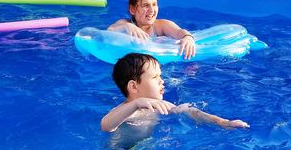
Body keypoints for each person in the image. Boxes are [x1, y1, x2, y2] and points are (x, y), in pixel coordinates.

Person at [101, 53, 249, 132]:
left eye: (160, 76)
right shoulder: (125, 111)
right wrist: (136, 104)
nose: (162, 81)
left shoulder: (161, 105)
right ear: (133, 87)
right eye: (155, 78)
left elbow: (189, 111)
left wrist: (222, 122)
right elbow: (106, 126)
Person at [108, 0, 196, 60]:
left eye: (154, 4)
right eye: (146, 5)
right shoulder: (125, 23)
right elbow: (109, 32)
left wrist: (188, 37)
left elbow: (179, 32)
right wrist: (127, 26)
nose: (151, 10)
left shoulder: (161, 25)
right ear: (132, 9)